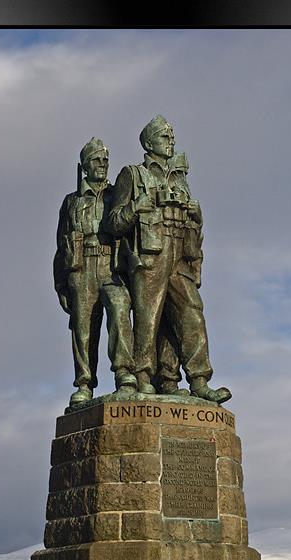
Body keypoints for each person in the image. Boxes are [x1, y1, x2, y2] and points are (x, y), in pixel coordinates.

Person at [106, 116, 231, 404]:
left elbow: (196, 225)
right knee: (149, 316)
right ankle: (143, 376)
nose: (170, 140)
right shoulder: (133, 174)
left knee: (191, 312)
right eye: (164, 136)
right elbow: (113, 223)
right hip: (151, 252)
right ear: (149, 143)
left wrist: (196, 214)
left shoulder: (179, 176)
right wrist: (137, 207)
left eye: (171, 136)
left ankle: (198, 380)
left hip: (180, 253)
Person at [54, 137, 137, 406]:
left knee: (119, 307)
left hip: (111, 267)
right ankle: (84, 383)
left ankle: (125, 374)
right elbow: (60, 245)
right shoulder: (71, 202)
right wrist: (60, 285)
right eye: (96, 160)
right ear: (84, 166)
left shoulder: (117, 195)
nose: (102, 165)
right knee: (83, 328)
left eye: (105, 160)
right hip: (81, 269)